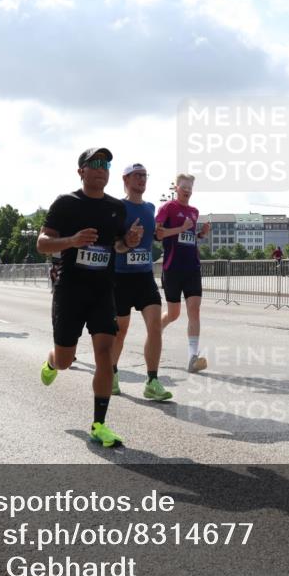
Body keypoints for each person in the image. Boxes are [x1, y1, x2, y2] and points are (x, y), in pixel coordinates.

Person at [37, 147, 144, 448]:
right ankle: (51, 361)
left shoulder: (116, 208)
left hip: (102, 290)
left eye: (106, 164)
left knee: (105, 356)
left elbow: (118, 247)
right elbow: (42, 243)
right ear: (81, 171)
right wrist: (71, 241)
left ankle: (99, 425)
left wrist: (129, 241)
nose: (101, 168)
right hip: (70, 289)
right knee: (65, 360)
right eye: (94, 163)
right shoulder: (66, 203)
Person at [110, 163, 173, 401]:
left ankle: (152, 380)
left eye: (145, 175)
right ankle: (112, 373)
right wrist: (127, 240)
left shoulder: (149, 207)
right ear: (125, 179)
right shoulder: (118, 208)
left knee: (155, 326)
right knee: (121, 330)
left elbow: (155, 236)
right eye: (137, 175)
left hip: (145, 276)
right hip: (120, 277)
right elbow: (114, 245)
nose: (142, 179)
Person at [157, 174, 211, 373]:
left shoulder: (194, 211)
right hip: (172, 268)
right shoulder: (168, 208)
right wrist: (181, 227)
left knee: (194, 310)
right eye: (184, 186)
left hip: (192, 268)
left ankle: (192, 358)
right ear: (176, 187)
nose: (187, 190)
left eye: (190, 187)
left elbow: (188, 236)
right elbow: (158, 234)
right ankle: (158, 329)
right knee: (173, 314)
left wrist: (201, 234)